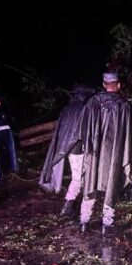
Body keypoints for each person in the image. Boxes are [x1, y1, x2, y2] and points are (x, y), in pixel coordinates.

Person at [79, 72, 132, 233]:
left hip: (95, 152)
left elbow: (83, 128)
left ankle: (84, 221)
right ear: (118, 85)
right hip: (114, 153)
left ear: (104, 84)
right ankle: (107, 223)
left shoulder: (93, 102)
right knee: (112, 183)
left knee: (91, 180)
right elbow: (130, 135)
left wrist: (88, 145)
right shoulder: (124, 105)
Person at [39, 84, 96, 217]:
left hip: (70, 149)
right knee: (79, 179)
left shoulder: (67, 108)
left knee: (78, 177)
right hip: (79, 149)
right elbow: (84, 132)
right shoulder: (83, 109)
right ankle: (69, 207)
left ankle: (69, 205)